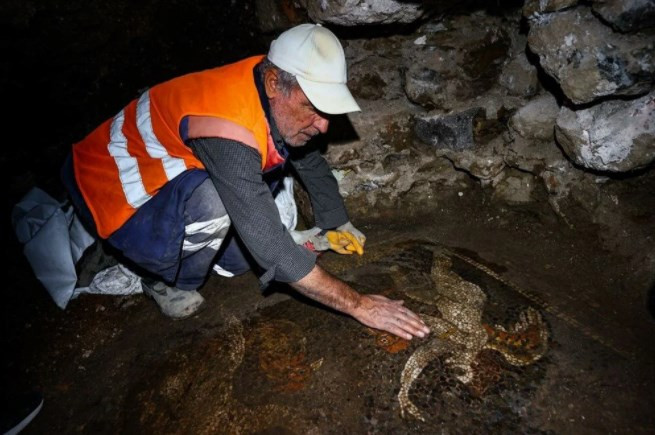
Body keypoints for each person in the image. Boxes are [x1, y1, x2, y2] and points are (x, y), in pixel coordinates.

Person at [61, 23, 429, 341]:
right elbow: (271, 248)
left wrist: (335, 219)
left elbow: (306, 154)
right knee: (220, 207)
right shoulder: (228, 127)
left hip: (172, 167)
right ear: (274, 84)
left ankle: (185, 246)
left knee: (241, 260)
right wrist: (360, 305)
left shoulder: (274, 83)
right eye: (314, 108)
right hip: (109, 184)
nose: (324, 125)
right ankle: (162, 277)